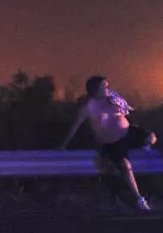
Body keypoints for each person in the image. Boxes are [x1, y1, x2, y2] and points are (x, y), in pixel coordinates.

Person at [59, 75, 156, 211]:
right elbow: (74, 127)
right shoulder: (88, 107)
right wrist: (63, 145)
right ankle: (138, 199)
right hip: (113, 141)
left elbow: (127, 112)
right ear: (96, 90)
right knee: (125, 165)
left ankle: (144, 146)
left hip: (128, 132)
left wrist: (121, 107)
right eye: (105, 86)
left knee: (151, 137)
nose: (108, 88)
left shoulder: (113, 100)